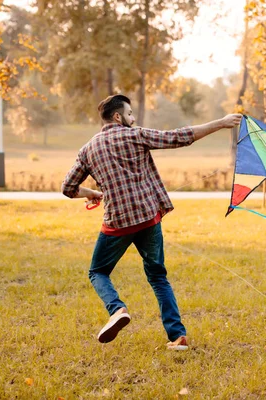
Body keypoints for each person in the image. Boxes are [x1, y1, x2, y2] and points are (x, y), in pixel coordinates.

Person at [62, 94, 242, 349]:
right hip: (148, 218)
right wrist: (220, 123)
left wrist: (91, 193)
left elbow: (68, 187)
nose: (133, 118)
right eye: (130, 114)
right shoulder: (135, 135)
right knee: (158, 276)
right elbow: (179, 137)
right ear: (117, 116)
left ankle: (117, 310)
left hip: (117, 222)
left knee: (98, 272)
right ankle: (177, 336)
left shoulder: (87, 149)